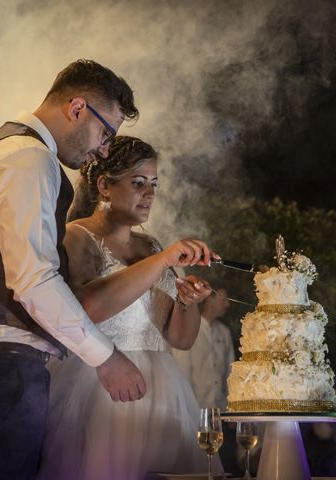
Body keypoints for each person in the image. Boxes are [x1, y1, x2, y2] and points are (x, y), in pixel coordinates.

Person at [0, 60, 158, 479]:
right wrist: (106, 358)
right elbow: (34, 279)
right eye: (105, 132)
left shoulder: (13, 149)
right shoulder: (28, 157)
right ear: (77, 108)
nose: (104, 150)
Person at [38, 136, 220, 480]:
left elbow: (180, 339)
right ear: (105, 186)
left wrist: (187, 302)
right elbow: (87, 308)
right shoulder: (77, 236)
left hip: (164, 390)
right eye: (138, 184)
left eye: (154, 184)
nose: (149, 194)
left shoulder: (151, 244)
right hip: (101, 388)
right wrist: (164, 260)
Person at [173, 288, 235, 410]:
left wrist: (231, 404)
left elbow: (230, 371)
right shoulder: (189, 330)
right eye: (223, 299)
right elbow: (182, 370)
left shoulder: (224, 332)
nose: (227, 304)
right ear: (209, 299)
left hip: (220, 409)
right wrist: (186, 406)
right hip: (195, 406)